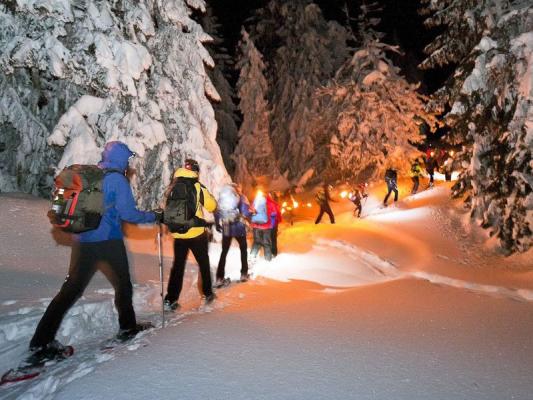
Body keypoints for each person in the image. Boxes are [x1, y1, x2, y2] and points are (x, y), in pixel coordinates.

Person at [29, 141, 158, 359]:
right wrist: (154, 216)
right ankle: (127, 328)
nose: (128, 163)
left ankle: (40, 342)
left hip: (83, 242)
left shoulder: (93, 175)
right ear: (120, 160)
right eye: (127, 159)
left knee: (70, 291)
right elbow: (129, 214)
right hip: (109, 242)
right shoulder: (117, 179)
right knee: (123, 285)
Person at [163, 159, 217, 311]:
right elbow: (211, 205)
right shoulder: (197, 186)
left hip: (179, 235)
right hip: (196, 234)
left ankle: (171, 299)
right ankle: (207, 294)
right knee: (203, 264)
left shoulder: (173, 186)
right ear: (196, 171)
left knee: (178, 266)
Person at [214, 184, 251, 286]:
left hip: (226, 227)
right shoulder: (241, 197)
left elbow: (217, 212)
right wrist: (250, 213)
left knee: (224, 252)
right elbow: (246, 213)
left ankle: (219, 278)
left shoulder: (223, 199)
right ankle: (244, 273)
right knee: (243, 250)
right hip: (239, 228)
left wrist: (217, 224)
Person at [249, 190, 276, 261]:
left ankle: (252, 256)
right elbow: (273, 214)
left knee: (256, 242)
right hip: (266, 226)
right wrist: (272, 225)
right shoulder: (269, 203)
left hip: (256, 225)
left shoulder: (255, 202)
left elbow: (250, 211)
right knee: (266, 243)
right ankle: (268, 259)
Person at [268, 192, 282, 257]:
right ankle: (273, 252)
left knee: (271, 238)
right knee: (273, 238)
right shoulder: (273, 203)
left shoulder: (270, 203)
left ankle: (272, 252)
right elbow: (278, 213)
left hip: (270, 223)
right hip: (273, 223)